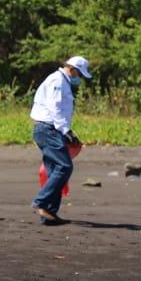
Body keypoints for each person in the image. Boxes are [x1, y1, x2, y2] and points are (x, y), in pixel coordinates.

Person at [30, 56, 91, 225]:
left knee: (53, 170)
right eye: (79, 74)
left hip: (49, 129)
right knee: (64, 167)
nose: (79, 78)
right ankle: (41, 202)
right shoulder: (57, 81)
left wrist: (66, 132)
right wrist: (66, 131)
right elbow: (54, 107)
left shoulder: (61, 81)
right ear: (72, 69)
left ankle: (48, 213)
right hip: (48, 129)